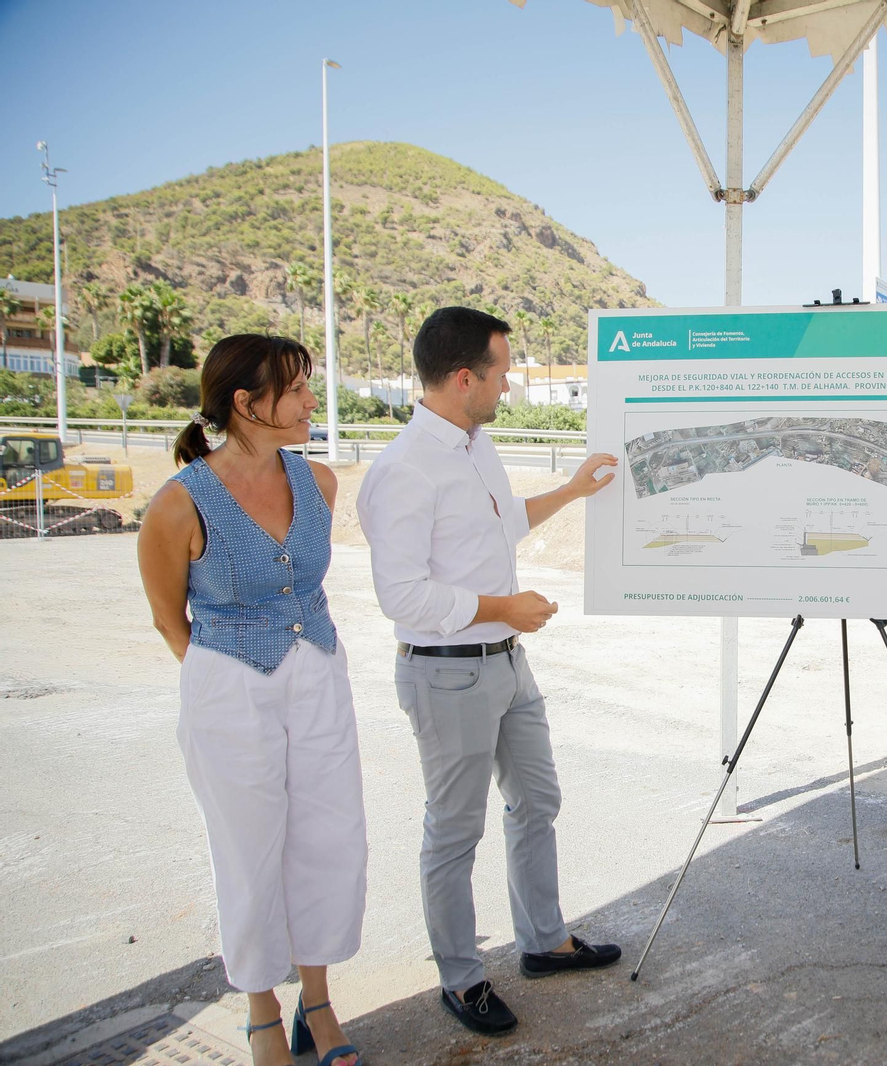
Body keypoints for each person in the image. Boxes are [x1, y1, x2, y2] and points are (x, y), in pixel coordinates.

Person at [356, 306, 620, 1036]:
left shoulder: (478, 446)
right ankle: (462, 979)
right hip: (445, 675)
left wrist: (572, 491)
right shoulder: (403, 469)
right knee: (455, 831)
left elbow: (503, 525)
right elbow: (401, 597)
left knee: (537, 801)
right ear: (465, 377)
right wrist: (505, 606)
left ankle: (544, 943)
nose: (509, 385)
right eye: (502, 372)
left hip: (507, 662)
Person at [137, 335, 366, 1066]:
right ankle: (261, 1008)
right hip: (231, 685)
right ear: (246, 403)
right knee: (247, 849)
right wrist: (231, 678)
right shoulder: (178, 504)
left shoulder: (319, 481)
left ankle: (317, 1002)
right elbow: (170, 621)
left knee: (330, 838)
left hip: (320, 671)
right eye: (296, 390)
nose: (310, 402)